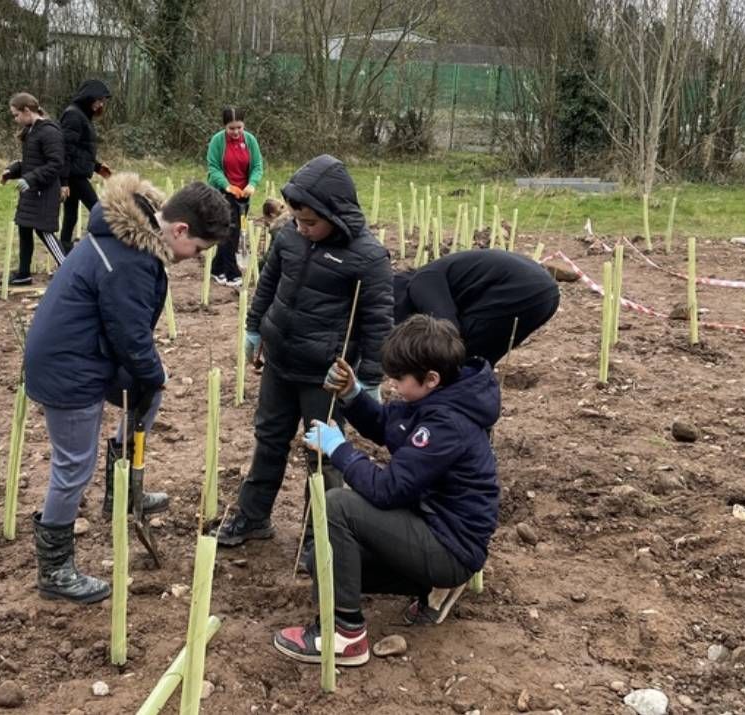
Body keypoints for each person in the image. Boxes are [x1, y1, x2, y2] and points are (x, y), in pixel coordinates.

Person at [22, 175, 234, 604]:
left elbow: (128, 338)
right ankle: (56, 570)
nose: (194, 259)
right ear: (178, 230)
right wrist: (149, 375)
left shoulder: (130, 239)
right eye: (198, 250)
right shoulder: (131, 260)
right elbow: (131, 335)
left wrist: (150, 380)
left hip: (89, 351)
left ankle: (122, 491)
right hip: (69, 366)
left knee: (152, 387)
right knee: (72, 467)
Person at [273, 315, 501, 666]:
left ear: (431, 379)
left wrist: (340, 449)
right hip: (433, 528)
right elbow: (389, 426)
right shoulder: (438, 400)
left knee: (338, 507)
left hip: (450, 547)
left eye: (399, 379)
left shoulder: (448, 424)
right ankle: (430, 589)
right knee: (323, 559)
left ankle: (345, 636)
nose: (392, 385)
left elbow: (386, 490)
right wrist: (353, 395)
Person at [217, 154, 393, 549]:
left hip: (325, 376)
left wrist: (370, 379)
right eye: (297, 219)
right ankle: (252, 516)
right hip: (280, 361)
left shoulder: (368, 257)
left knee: (324, 454)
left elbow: (378, 321)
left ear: (337, 214)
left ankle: (321, 532)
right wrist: (253, 327)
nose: (302, 227)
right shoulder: (289, 237)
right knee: (269, 438)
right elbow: (268, 283)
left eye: (311, 222)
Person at [393, 249, 561, 364]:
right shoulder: (436, 274)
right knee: (479, 361)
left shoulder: (421, 282)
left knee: (455, 355)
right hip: (547, 293)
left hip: (520, 289)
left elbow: (448, 331)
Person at [0, 92, 67, 285]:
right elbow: (30, 163)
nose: (15, 119)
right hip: (32, 192)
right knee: (25, 228)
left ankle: (67, 268)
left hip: (44, 192)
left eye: (16, 115)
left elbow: (55, 164)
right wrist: (11, 171)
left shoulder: (49, 131)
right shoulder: (32, 131)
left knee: (44, 231)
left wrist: (31, 179)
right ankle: (23, 273)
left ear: (27, 110)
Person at [205, 106, 264, 287]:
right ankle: (232, 272)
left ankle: (217, 268)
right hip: (222, 192)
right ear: (225, 127)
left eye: (239, 127)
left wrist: (252, 184)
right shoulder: (217, 141)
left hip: (243, 193)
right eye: (231, 128)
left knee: (234, 231)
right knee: (230, 231)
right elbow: (213, 167)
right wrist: (227, 186)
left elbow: (257, 165)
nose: (236, 132)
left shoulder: (250, 141)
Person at [58, 79, 113, 253]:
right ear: (89, 98)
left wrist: (97, 167)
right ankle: (110, 245)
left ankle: (64, 253)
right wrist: (64, 181)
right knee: (98, 209)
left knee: (71, 215)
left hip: (76, 172)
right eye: (99, 100)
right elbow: (66, 149)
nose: (101, 104)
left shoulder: (82, 116)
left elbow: (80, 149)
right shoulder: (73, 115)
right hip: (74, 175)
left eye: (103, 101)